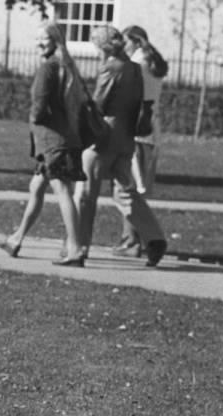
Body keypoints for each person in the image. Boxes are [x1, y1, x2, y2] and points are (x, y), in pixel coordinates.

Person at [74, 25, 168, 267]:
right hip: (125, 139)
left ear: (102, 46)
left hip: (103, 138)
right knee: (124, 191)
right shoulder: (135, 68)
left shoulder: (111, 67)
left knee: (86, 194)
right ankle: (154, 237)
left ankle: (79, 247)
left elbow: (100, 105)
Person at [0, 21, 87, 267]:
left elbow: (40, 104)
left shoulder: (49, 67)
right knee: (36, 188)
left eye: (44, 38)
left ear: (55, 40)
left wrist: (35, 117)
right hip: (60, 140)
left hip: (53, 142)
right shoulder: (67, 66)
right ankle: (16, 239)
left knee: (63, 191)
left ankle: (76, 249)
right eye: (37, 38)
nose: (39, 43)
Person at [113, 25, 169, 257]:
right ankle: (133, 239)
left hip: (135, 132)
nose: (122, 47)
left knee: (126, 189)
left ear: (135, 42)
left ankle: (135, 241)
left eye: (125, 42)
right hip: (150, 133)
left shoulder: (137, 64)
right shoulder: (153, 63)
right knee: (132, 188)